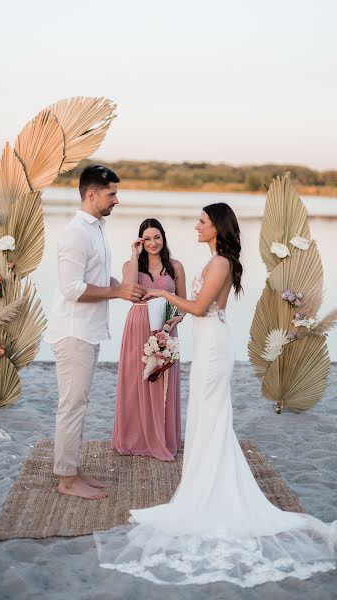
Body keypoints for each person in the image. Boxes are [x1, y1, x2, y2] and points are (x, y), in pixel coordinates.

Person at [95, 203, 337, 586]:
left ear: (217, 227)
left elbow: (199, 307)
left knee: (210, 414)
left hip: (213, 347)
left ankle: (209, 490)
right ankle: (202, 482)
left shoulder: (221, 263)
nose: (197, 226)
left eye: (203, 222)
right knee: (206, 416)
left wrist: (164, 298)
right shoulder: (215, 261)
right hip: (207, 343)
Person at [45, 165, 146, 500]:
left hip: (88, 330)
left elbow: (100, 280)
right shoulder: (75, 233)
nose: (117, 199)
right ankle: (67, 480)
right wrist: (116, 293)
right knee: (72, 405)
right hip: (74, 332)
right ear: (91, 194)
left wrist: (125, 289)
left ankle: (71, 469)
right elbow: (72, 288)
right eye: (111, 193)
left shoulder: (97, 229)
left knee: (79, 403)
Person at [111, 218, 186, 461]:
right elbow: (129, 290)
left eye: (157, 237)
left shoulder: (175, 266)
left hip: (165, 326)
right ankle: (135, 438)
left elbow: (183, 305)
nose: (153, 243)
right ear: (140, 241)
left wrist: (172, 323)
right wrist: (134, 256)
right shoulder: (129, 265)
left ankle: (161, 438)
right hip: (138, 324)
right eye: (147, 238)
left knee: (161, 377)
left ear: (163, 238)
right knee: (136, 379)